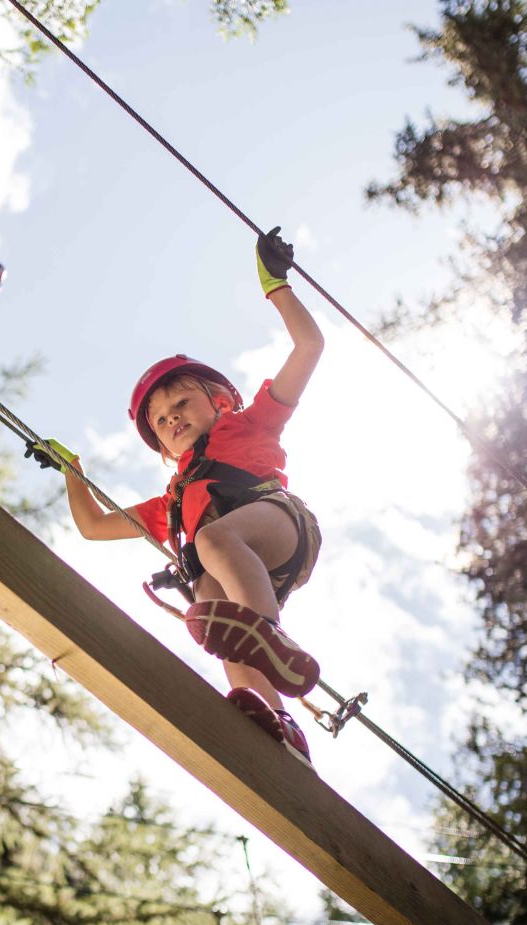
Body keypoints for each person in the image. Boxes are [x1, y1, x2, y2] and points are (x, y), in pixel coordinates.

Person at [32, 228, 324, 760]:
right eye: (161, 420)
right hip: (248, 573)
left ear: (218, 401)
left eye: (182, 404)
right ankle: (279, 723)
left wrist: (274, 284)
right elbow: (95, 526)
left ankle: (270, 637)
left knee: (212, 541)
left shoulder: (250, 425)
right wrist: (72, 470)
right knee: (212, 613)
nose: (172, 420)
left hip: (281, 528)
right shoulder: (170, 502)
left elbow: (309, 347)